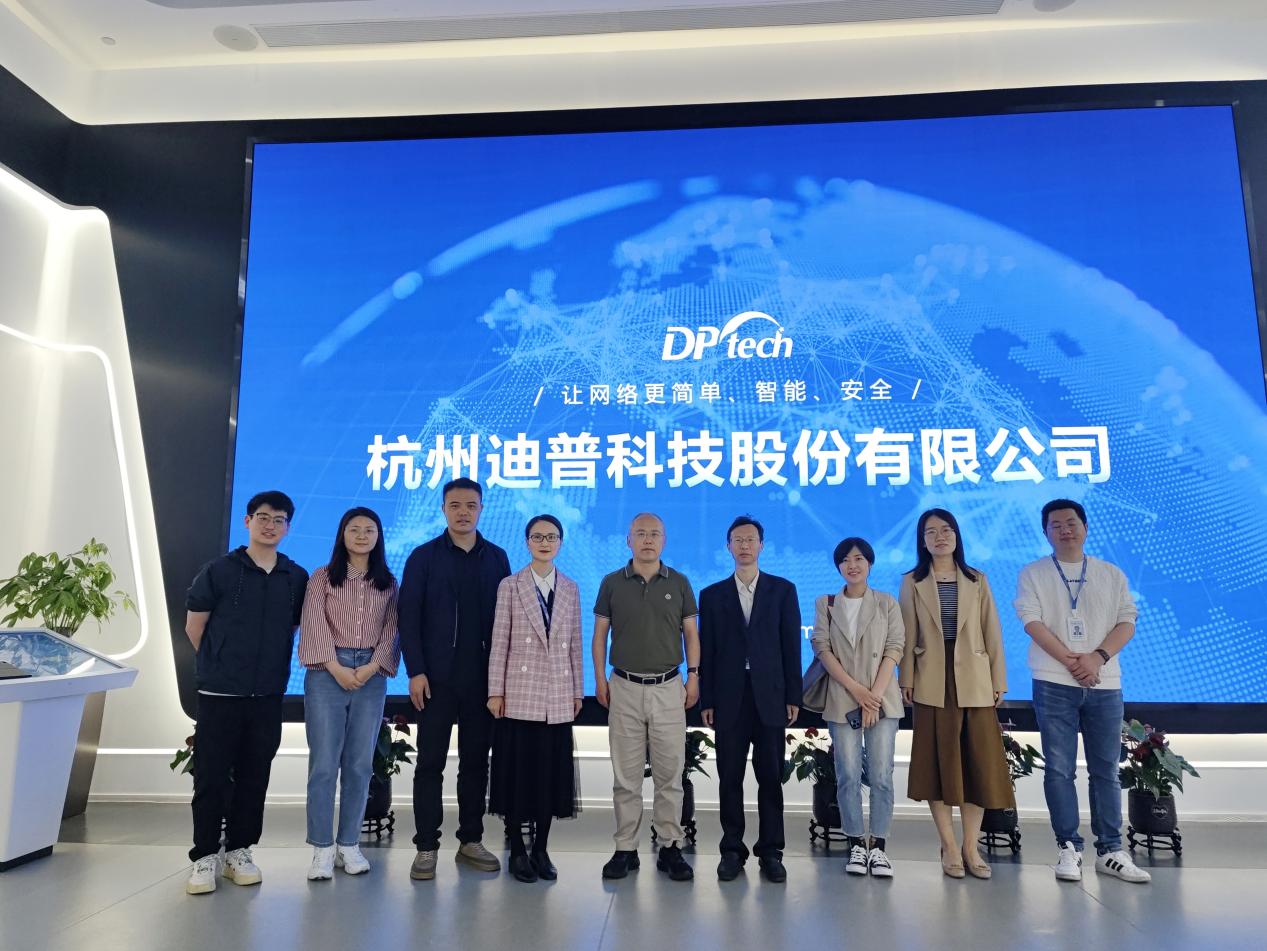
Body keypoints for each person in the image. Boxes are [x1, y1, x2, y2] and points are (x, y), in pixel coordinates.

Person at [1014, 498, 1151, 884]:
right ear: (1046, 533)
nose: (1064, 530)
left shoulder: (1110, 573)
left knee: (1106, 769)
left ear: (1085, 527)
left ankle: (1111, 850)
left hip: (1105, 683)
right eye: (1055, 525)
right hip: (1052, 681)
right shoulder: (1033, 573)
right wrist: (1073, 661)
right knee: (1059, 769)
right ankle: (1068, 848)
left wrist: (1097, 658)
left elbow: (1127, 621)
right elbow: (1031, 622)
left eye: (1071, 522)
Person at [183, 490, 309, 895]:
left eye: (279, 520)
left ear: (288, 527)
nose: (270, 525)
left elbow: (291, 629)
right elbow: (195, 627)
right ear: (248, 521)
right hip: (220, 695)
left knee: (256, 776)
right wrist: (221, 666)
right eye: (263, 517)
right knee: (211, 776)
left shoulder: (295, 577)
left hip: (267, 696)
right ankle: (204, 855)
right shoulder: (218, 571)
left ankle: (240, 851)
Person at [399, 478, 511, 881]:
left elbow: (507, 621)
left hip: (481, 682)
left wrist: (502, 681)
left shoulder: (496, 558)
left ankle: (470, 840)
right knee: (429, 763)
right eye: (455, 505)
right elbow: (407, 617)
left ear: (482, 509)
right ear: (444, 509)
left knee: (475, 764)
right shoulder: (423, 557)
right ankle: (426, 846)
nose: (463, 512)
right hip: (435, 680)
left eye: (471, 505)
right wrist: (415, 670)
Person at [899, 507, 1012, 880]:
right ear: (923, 541)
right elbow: (908, 635)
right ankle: (949, 845)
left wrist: (998, 679)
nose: (940, 537)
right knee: (938, 763)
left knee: (978, 763)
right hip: (932, 680)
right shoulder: (912, 581)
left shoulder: (977, 579)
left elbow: (992, 630)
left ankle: (970, 846)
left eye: (946, 529)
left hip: (975, 680)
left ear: (957, 535)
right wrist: (906, 678)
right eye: (931, 532)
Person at [593, 512, 699, 882]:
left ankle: (670, 846)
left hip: (669, 687)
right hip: (623, 686)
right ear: (629, 540)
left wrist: (693, 676)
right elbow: (600, 635)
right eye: (640, 533)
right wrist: (599, 679)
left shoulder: (680, 582)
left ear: (664, 540)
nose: (648, 539)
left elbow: (691, 634)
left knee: (670, 775)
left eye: (655, 533)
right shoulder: (611, 582)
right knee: (626, 776)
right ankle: (625, 848)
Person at [298, 506, 400, 881]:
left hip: (371, 675)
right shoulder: (322, 577)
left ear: (378, 536)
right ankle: (322, 849)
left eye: (369, 530)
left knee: (359, 765)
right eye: (354, 529)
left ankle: (349, 844)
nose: (361, 535)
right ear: (342, 534)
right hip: (327, 672)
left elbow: (392, 630)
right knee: (324, 765)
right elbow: (313, 623)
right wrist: (336, 666)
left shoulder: (388, 582)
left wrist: (371, 668)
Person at [699, 515, 801, 883]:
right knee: (730, 777)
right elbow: (707, 652)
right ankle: (731, 850)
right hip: (729, 698)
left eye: (751, 539)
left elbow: (791, 647)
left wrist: (793, 694)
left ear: (761, 545)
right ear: (728, 546)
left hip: (770, 696)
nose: (744, 545)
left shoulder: (783, 590)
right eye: (738, 540)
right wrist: (707, 699)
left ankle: (771, 852)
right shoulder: (712, 595)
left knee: (770, 777)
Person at [487, 515, 583, 884]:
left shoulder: (570, 588)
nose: (545, 542)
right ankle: (517, 848)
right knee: (518, 776)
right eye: (538, 536)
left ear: (561, 542)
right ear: (527, 541)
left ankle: (541, 848)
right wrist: (495, 691)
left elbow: (574, 644)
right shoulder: (510, 586)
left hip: (556, 695)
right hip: (519, 695)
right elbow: (500, 641)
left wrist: (577, 691)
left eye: (551, 537)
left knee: (549, 777)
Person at [811, 537, 904, 879]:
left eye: (859, 559)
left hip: (882, 700)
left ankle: (878, 847)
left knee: (881, 776)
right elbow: (822, 648)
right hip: (843, 698)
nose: (852, 565)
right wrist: (857, 692)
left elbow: (895, 647)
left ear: (870, 564)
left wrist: (873, 697)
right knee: (848, 776)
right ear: (838, 566)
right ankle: (855, 844)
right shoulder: (827, 603)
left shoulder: (886, 602)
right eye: (846, 560)